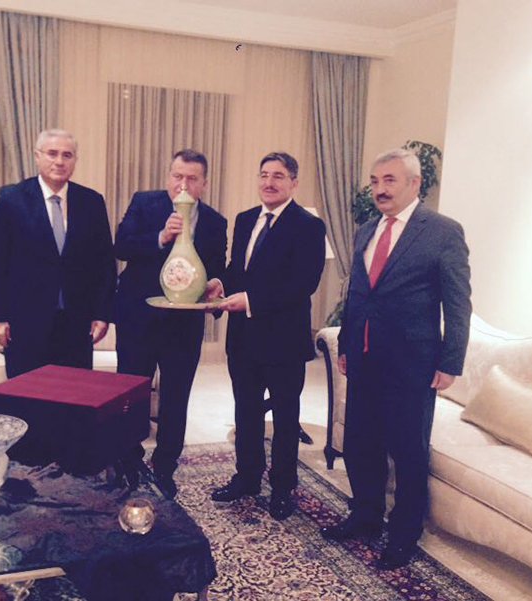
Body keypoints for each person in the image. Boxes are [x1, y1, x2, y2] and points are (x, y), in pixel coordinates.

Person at [320, 148, 471, 570]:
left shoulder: (442, 232)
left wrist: (451, 362)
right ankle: (366, 515)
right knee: (360, 443)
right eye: (374, 181)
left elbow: (458, 303)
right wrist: (347, 346)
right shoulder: (367, 229)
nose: (380, 189)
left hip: (412, 365)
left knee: (407, 450)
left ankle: (404, 533)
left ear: (414, 183)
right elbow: (357, 295)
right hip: (364, 359)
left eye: (389, 180)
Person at [209, 151, 325, 521]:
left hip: (284, 342)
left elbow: (303, 284)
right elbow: (238, 270)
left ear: (294, 183)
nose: (269, 182)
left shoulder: (309, 226)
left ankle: (283, 488)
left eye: (278, 176)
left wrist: (250, 300)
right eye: (264, 175)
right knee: (245, 411)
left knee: (286, 419)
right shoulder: (245, 219)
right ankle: (247, 478)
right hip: (243, 338)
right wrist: (221, 284)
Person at [114, 149, 227, 499]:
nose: (183, 184)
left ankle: (165, 468)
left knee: (176, 400)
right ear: (168, 177)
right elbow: (121, 246)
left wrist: (216, 283)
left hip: (183, 326)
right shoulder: (144, 203)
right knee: (131, 395)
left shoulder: (216, 222)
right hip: (138, 319)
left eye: (192, 178)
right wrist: (160, 237)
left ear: (204, 184)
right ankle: (128, 463)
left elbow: (217, 268)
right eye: (177, 176)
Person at [0, 129, 116, 378]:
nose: (59, 161)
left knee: (74, 392)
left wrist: (102, 314)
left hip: (77, 322)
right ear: (37, 156)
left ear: (75, 160)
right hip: (25, 321)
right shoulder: (11, 200)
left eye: (67, 155)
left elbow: (104, 263)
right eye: (52, 154)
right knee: (27, 392)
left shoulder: (91, 202)